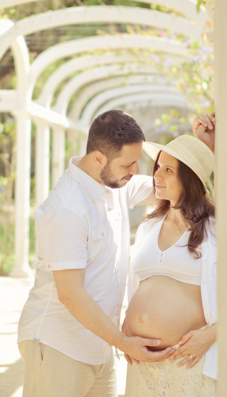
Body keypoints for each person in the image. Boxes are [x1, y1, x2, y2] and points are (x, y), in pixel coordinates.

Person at [17, 110, 174, 397]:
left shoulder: (115, 184)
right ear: (99, 158)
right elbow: (70, 294)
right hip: (58, 346)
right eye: (128, 164)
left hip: (100, 348)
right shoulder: (67, 208)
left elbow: (166, 185)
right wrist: (125, 343)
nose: (136, 170)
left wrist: (200, 144)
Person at [123, 133, 217, 397]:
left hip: (188, 359)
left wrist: (210, 335)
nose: (156, 175)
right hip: (141, 361)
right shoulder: (148, 227)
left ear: (189, 179)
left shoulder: (216, 230)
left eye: (167, 170)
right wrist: (127, 327)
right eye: (157, 167)